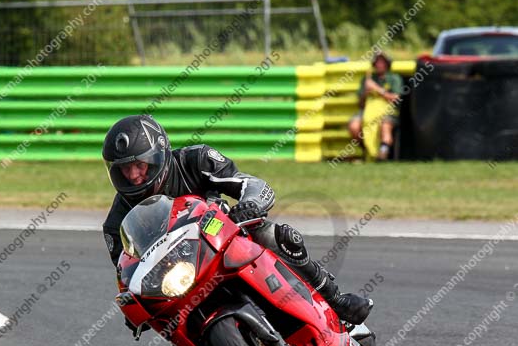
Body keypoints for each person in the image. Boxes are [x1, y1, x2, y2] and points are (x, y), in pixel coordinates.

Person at [102, 115, 372, 333]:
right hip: (180, 280)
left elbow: (251, 184)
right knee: (165, 324)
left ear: (157, 156)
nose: (134, 175)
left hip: (222, 244)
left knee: (273, 234)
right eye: (125, 168)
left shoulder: (195, 160)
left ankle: (336, 300)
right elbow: (127, 273)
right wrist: (133, 304)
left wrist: (250, 204)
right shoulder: (116, 223)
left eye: (139, 165)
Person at [348, 51, 403, 160]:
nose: (379, 65)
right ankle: (368, 151)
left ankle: (382, 154)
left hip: (388, 111)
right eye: (377, 62)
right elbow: (360, 104)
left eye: (382, 62)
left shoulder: (394, 78)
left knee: (385, 126)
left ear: (387, 63)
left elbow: (396, 99)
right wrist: (365, 93)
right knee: (354, 126)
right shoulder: (368, 79)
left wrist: (377, 89)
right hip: (368, 111)